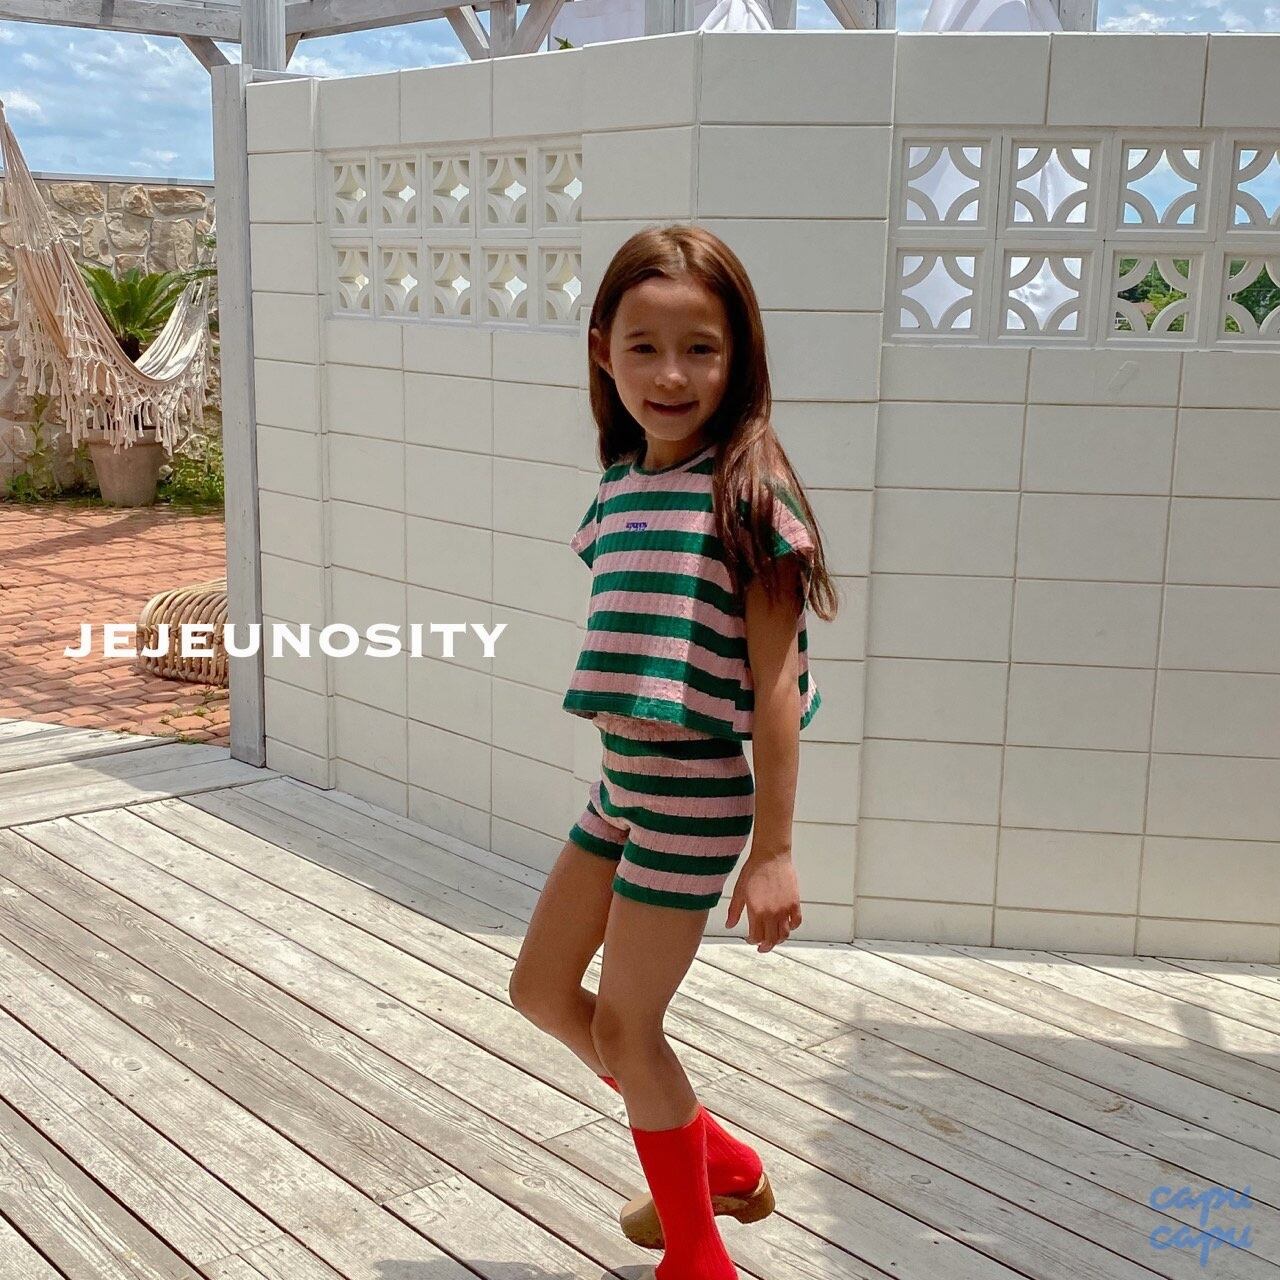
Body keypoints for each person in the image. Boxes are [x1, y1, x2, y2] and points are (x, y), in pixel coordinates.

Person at [508, 224, 839, 1280]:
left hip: (694, 794)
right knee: (540, 990)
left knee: (628, 1028)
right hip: (621, 785)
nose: (670, 374)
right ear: (601, 350)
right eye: (643, 346)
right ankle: (720, 1161)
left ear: (738, 357)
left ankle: (696, 1256)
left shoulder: (747, 490)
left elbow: (776, 687)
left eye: (700, 348)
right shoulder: (620, 484)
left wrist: (774, 850)